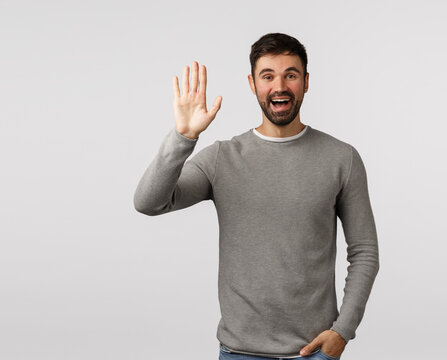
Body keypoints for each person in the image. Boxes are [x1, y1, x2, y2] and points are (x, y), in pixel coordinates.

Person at [133, 32, 380, 360]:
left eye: (290, 75)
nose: (279, 86)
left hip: (314, 352)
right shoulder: (222, 158)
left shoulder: (341, 158)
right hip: (238, 352)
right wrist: (183, 137)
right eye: (268, 76)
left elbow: (364, 251)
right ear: (252, 84)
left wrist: (342, 332)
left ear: (306, 82)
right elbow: (148, 202)